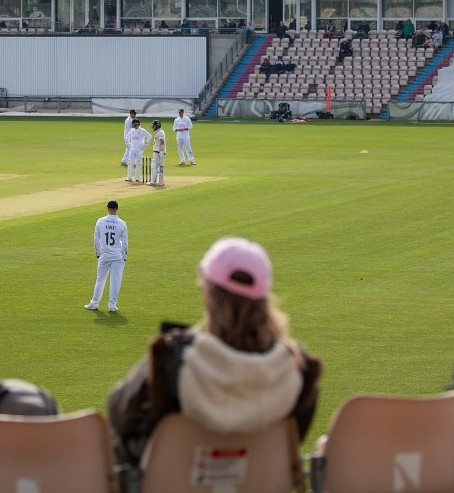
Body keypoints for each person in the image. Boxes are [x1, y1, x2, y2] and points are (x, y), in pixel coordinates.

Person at [107, 236, 321, 469]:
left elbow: (119, 411)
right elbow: (295, 436)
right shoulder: (296, 370)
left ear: (208, 292)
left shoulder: (173, 359)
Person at [84, 200, 128, 313]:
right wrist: (124, 256)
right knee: (115, 281)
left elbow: (96, 240)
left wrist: (98, 254)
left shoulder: (100, 221)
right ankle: (112, 306)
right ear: (117, 209)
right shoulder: (122, 223)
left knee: (100, 280)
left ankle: (94, 303)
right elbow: (125, 242)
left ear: (108, 208)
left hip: (104, 255)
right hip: (117, 256)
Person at [124, 118, 151, 183]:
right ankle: (129, 177)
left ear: (136, 124)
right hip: (132, 149)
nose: (132, 125)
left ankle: (137, 178)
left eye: (133, 124)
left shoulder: (142, 130)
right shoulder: (131, 130)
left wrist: (144, 144)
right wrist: (128, 144)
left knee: (138, 163)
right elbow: (127, 137)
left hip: (139, 149)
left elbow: (149, 136)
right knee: (130, 163)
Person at [150, 120, 166, 187]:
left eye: (153, 125)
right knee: (160, 166)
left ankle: (153, 182)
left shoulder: (160, 132)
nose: (152, 127)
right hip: (159, 152)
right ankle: (160, 182)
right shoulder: (159, 132)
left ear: (157, 125)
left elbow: (162, 141)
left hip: (158, 152)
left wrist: (161, 150)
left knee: (154, 166)